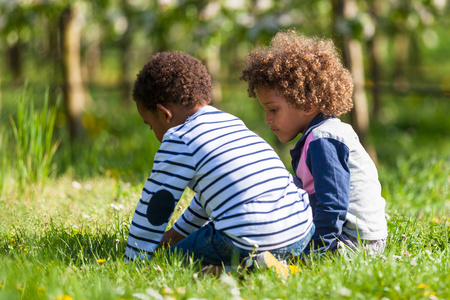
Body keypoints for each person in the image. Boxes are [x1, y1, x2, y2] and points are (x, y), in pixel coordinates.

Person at [125, 51, 314, 275]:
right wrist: (173, 236)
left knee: (170, 262)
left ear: (163, 113)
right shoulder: (230, 122)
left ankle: (244, 269)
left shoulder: (178, 138)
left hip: (246, 237)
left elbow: (156, 205)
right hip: (300, 230)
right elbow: (208, 202)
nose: (153, 132)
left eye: (150, 124)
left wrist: (134, 257)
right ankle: (270, 264)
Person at [240, 30, 387, 256]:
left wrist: (314, 252)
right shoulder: (318, 136)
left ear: (308, 105)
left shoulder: (324, 139)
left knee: (267, 254)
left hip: (353, 242)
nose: (267, 119)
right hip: (348, 236)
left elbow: (333, 206)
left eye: (273, 109)